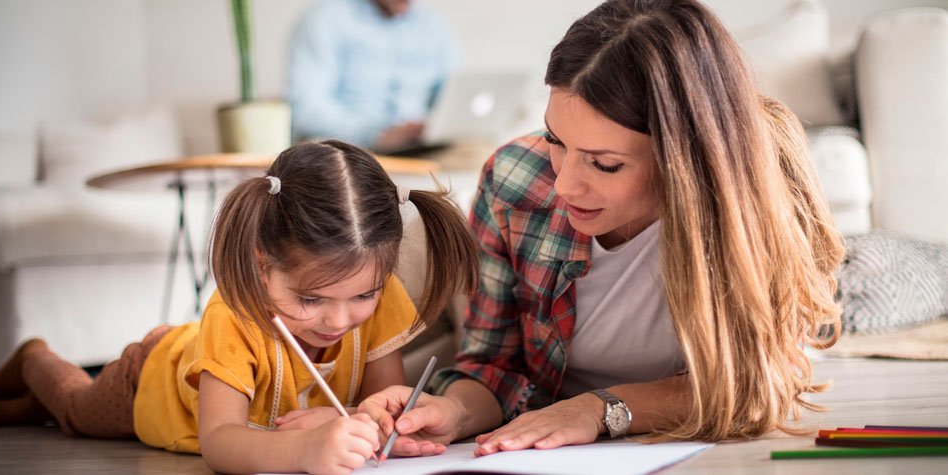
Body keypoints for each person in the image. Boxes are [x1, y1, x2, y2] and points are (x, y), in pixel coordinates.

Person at [358, 0, 845, 457]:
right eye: (556, 139)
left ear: (683, 159)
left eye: (605, 164)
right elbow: (495, 367)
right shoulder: (513, 181)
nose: (565, 184)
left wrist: (599, 409)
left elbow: (756, 389)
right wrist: (453, 411)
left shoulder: (759, 194)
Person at [0, 140, 479, 474]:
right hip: (147, 382)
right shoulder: (234, 314)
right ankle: (36, 358)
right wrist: (306, 449)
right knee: (76, 412)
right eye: (310, 298)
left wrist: (377, 422)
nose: (340, 320)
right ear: (262, 265)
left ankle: (23, 409)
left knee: (39, 418)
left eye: (363, 296)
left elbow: (378, 401)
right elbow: (220, 442)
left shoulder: (379, 297)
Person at [288, 0, 460, 153]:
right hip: (348, 155)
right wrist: (376, 137)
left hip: (419, 152)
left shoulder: (433, 25)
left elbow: (452, 95)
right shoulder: (326, 19)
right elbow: (304, 109)